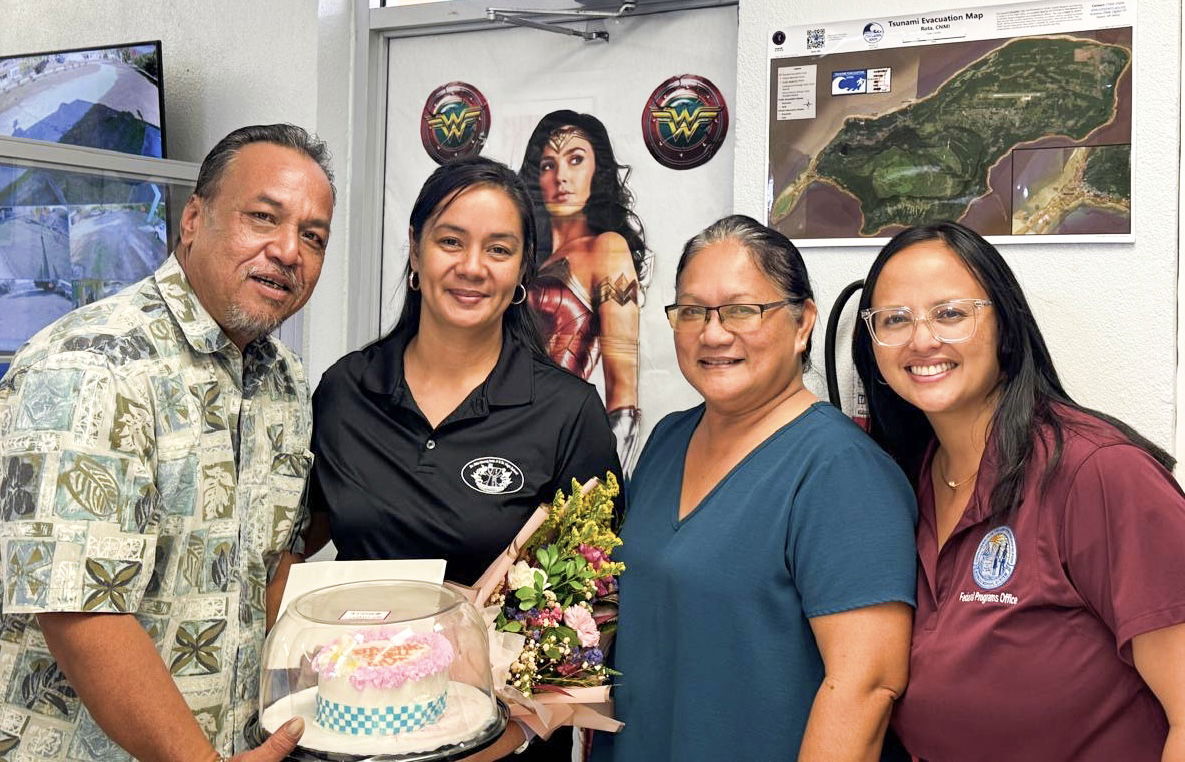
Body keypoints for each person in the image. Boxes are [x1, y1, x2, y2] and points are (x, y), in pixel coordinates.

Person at [0, 124, 335, 761]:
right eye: (263, 217)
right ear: (193, 219)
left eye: (313, 236)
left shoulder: (284, 380)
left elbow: (273, 563)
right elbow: (81, 611)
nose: (289, 250)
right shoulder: (90, 366)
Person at [304, 157, 620, 761]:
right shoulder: (346, 392)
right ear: (415, 249)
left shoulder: (566, 411)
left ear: (523, 268)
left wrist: (507, 738)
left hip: (500, 745)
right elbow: (297, 539)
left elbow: (599, 603)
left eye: (498, 249)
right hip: (354, 728)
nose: (472, 267)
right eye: (451, 241)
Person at [852, 221, 1185, 761]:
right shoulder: (902, 479)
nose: (922, 340)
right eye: (895, 319)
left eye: (950, 313)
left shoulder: (1097, 473)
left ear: (1005, 326)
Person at [600, 215, 917, 761]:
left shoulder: (841, 471)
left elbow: (866, 687)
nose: (713, 333)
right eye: (692, 311)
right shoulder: (667, 439)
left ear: (802, 324)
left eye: (742, 309)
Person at [518, 110, 648, 468]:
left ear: (597, 171)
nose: (561, 176)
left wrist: (605, 489)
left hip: (560, 451)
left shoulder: (606, 248)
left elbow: (623, 395)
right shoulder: (525, 259)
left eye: (575, 160)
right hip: (500, 439)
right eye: (548, 165)